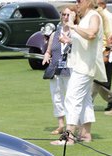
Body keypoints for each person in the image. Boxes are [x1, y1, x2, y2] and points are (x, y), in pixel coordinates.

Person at [51, 0, 106, 145]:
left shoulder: (93, 16)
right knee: (85, 100)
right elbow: (84, 42)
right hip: (80, 65)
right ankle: (86, 134)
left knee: (72, 98)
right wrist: (69, 40)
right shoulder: (85, 18)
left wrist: (73, 27)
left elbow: (92, 34)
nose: (77, 3)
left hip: (85, 66)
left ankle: (68, 137)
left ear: (88, 2)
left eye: (79, 1)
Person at [42, 6, 76, 136]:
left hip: (70, 69)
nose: (65, 18)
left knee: (70, 98)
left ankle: (72, 126)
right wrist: (46, 55)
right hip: (56, 69)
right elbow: (49, 50)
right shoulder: (55, 33)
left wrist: (69, 40)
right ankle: (61, 124)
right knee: (56, 97)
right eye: (63, 15)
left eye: (68, 15)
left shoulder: (75, 32)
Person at [92, 0, 112, 111]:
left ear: (102, 5)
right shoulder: (98, 15)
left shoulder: (107, 17)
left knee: (96, 80)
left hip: (103, 52)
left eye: (96, 5)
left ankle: (88, 100)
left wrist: (107, 53)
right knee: (97, 80)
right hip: (96, 51)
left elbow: (111, 36)